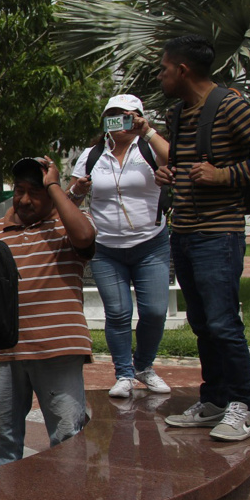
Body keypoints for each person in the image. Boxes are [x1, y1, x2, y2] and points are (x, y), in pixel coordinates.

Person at [155, 35, 250, 440]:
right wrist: (168, 174)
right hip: (183, 232)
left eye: (164, 68)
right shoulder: (178, 114)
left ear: (183, 70)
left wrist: (225, 175)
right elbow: (183, 164)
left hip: (218, 234)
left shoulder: (231, 105)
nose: (160, 75)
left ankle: (243, 406)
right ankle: (215, 400)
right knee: (202, 323)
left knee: (222, 323)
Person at [0, 157, 96, 467]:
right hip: (6, 352)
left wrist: (55, 186)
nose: (24, 199)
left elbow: (85, 238)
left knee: (67, 435)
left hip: (58, 349)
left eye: (36, 191)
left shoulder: (70, 224)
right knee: (1, 436)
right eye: (19, 190)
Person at [68, 95, 173, 398]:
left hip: (151, 244)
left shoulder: (148, 148)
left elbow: (174, 160)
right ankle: (124, 373)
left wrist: (148, 131)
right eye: (114, 116)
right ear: (105, 121)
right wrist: (78, 189)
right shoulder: (92, 154)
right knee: (117, 313)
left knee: (154, 311)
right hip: (106, 248)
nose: (122, 122)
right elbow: (70, 198)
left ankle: (144, 366)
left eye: (129, 116)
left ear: (139, 118)